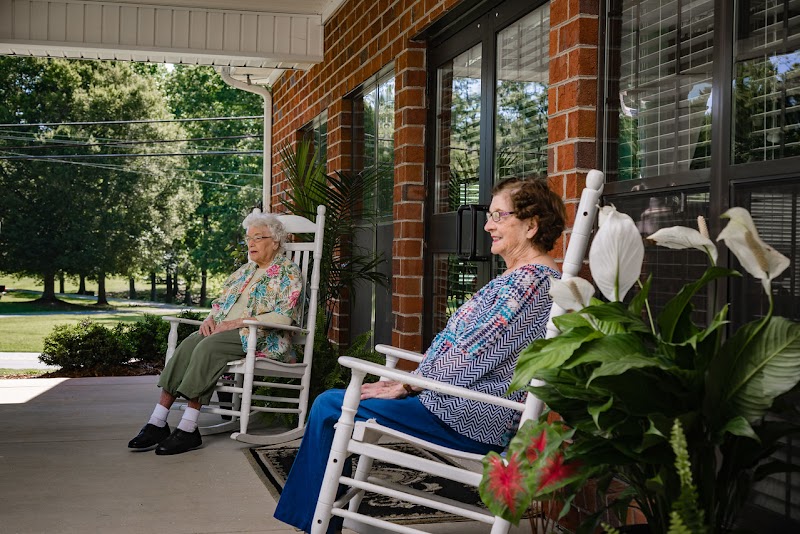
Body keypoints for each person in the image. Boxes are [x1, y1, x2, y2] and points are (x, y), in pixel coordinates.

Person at [274, 176, 567, 533]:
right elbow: (470, 349)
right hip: (458, 404)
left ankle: (315, 524)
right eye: (490, 215)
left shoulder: (528, 283)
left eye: (499, 216)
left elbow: (472, 357)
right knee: (338, 403)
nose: (488, 225)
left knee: (329, 405)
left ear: (531, 225)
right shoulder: (527, 278)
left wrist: (409, 385)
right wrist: (408, 380)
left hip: (467, 415)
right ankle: (320, 518)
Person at [127, 211, 303, 456]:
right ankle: (158, 421)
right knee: (189, 344)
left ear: (275, 242)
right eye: (248, 238)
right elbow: (221, 303)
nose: (251, 243)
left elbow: (283, 316)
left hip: (261, 338)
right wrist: (210, 319)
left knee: (208, 348)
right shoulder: (244, 271)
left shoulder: (288, 272)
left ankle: (188, 428)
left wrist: (237, 323)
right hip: (225, 331)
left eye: (258, 237)